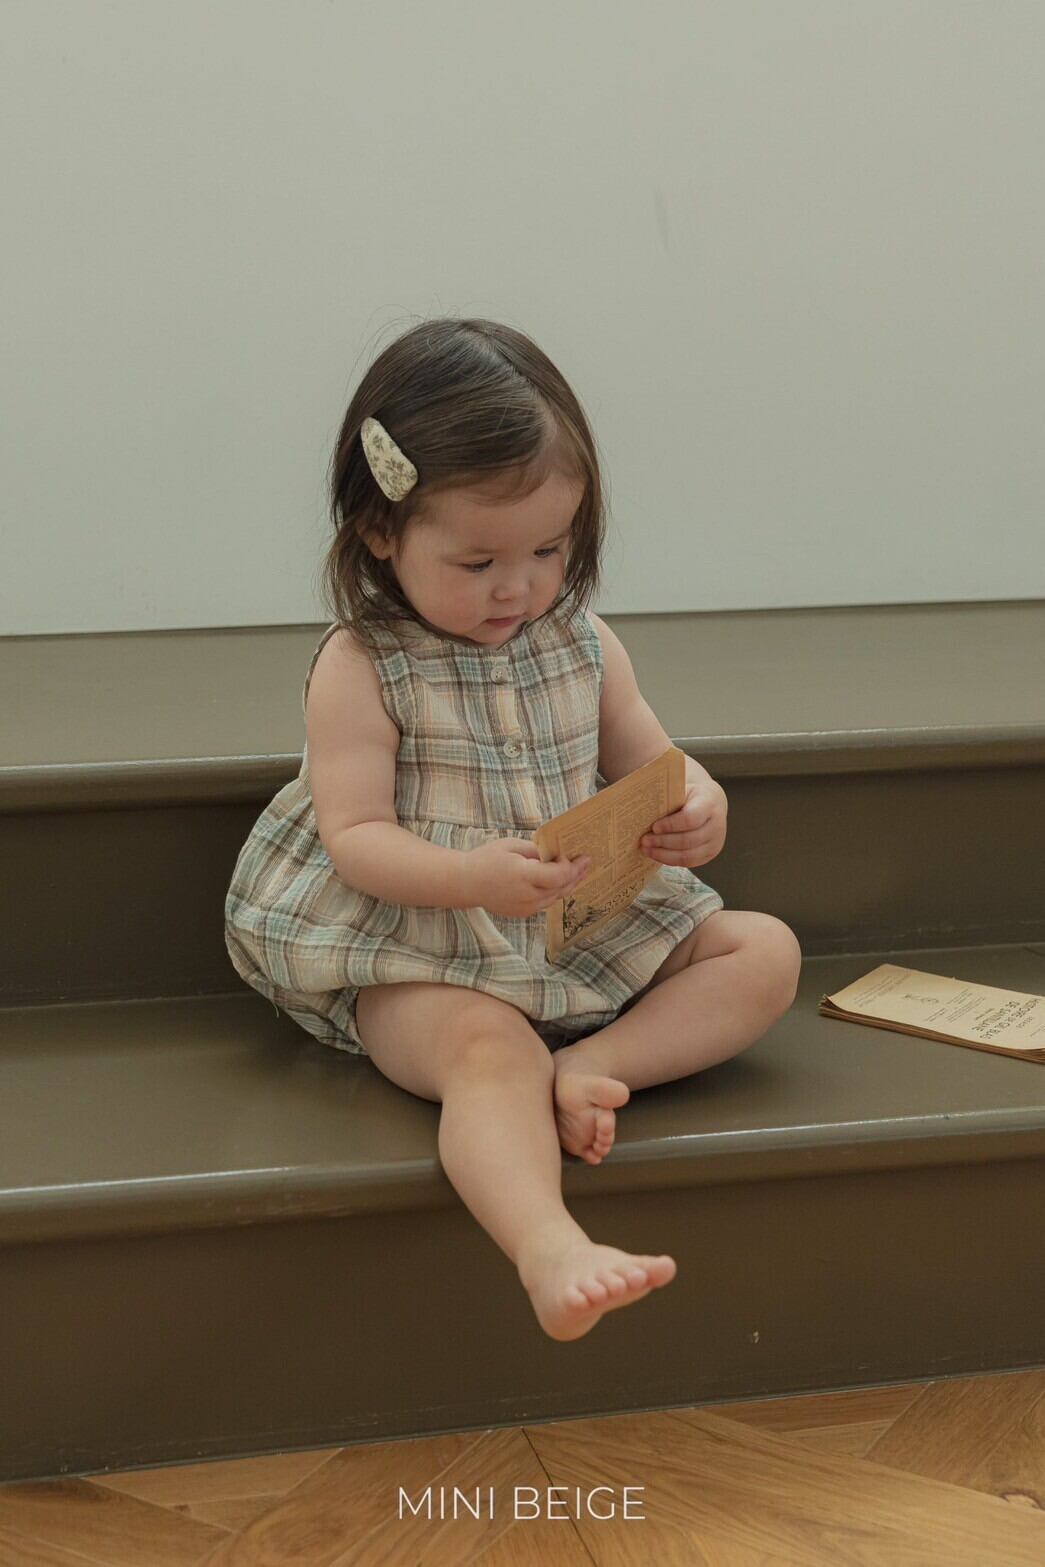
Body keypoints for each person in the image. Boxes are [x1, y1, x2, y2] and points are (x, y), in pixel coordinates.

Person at [225, 317, 802, 1341]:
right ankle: (549, 1245)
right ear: (379, 531)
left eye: (548, 549)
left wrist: (698, 805)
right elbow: (355, 836)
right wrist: (467, 878)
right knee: (490, 1054)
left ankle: (593, 1063)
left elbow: (656, 761)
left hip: (574, 924)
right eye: (478, 559)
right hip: (424, 947)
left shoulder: (583, 640)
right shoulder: (363, 665)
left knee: (764, 951)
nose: (518, 586)